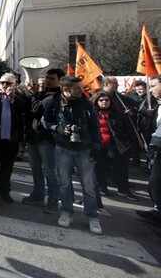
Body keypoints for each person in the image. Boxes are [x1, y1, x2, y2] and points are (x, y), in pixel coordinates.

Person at [42, 75, 103, 235]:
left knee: (88, 185)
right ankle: (67, 211)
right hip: (63, 148)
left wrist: (96, 148)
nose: (80, 90)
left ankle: (92, 216)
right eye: (76, 88)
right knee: (64, 182)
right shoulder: (54, 103)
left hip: (84, 149)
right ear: (66, 90)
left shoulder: (86, 104)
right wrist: (57, 128)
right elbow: (45, 121)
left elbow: (95, 126)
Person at [22, 68, 64, 214]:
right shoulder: (43, 93)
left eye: (52, 78)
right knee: (35, 168)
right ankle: (38, 194)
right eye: (47, 77)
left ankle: (54, 199)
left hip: (46, 138)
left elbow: (37, 110)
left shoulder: (57, 96)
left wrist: (33, 94)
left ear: (60, 81)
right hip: (34, 136)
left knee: (50, 170)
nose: (48, 80)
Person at [0, 73, 28, 203]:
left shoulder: (18, 96)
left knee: (7, 167)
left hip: (11, 139)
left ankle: (4, 191)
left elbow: (25, 109)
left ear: (14, 85)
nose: (5, 85)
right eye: (3, 82)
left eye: (8, 83)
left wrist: (14, 98)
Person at [91, 91, 138, 200]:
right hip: (99, 146)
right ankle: (102, 187)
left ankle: (123, 190)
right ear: (96, 101)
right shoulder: (92, 113)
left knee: (121, 168)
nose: (104, 102)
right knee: (100, 168)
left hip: (116, 146)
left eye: (107, 100)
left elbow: (127, 128)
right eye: (101, 100)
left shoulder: (118, 113)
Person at [102, 76, 143, 166]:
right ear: (106, 84)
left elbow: (135, 105)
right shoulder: (99, 96)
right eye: (114, 83)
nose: (117, 85)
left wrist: (131, 110)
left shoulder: (119, 97)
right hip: (106, 131)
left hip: (121, 131)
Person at [136, 75, 161, 225]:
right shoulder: (159, 105)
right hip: (157, 149)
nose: (150, 90)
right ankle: (158, 211)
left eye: (153, 86)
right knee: (155, 182)